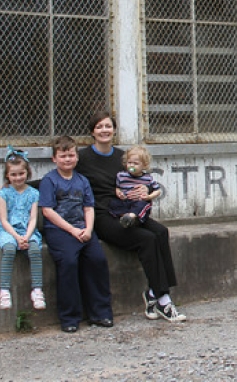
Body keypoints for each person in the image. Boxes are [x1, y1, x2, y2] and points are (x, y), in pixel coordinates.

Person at [76, 111, 186, 323]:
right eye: (99, 127)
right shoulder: (83, 159)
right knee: (146, 239)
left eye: (108, 126)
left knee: (161, 232)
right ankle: (163, 299)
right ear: (92, 132)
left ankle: (154, 293)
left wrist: (145, 191)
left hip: (126, 209)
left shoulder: (122, 158)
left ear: (114, 130)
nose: (104, 130)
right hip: (102, 214)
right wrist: (23, 185)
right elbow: (59, 176)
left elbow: (140, 178)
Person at [39, 135, 114, 333]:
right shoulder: (49, 181)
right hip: (59, 231)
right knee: (69, 262)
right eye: (63, 156)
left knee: (97, 260)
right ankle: (70, 317)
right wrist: (72, 230)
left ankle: (100, 313)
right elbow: (47, 211)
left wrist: (88, 230)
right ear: (54, 158)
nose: (67, 159)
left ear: (77, 157)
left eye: (71, 155)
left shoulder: (82, 181)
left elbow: (89, 208)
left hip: (83, 229)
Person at [0, 146, 46, 311]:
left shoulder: (33, 193)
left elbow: (33, 218)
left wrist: (27, 236)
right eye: (13, 174)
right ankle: (4, 290)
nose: (18, 178)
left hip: (28, 231)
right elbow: (4, 220)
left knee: (34, 250)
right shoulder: (3, 194)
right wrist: (17, 238)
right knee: (9, 249)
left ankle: (37, 290)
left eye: (21, 173)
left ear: (27, 173)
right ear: (7, 175)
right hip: (8, 231)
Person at [111, 145, 160, 229]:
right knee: (113, 203)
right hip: (125, 201)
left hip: (138, 202)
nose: (132, 165)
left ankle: (131, 216)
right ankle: (124, 216)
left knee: (143, 205)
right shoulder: (121, 175)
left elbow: (157, 190)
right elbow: (118, 187)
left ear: (144, 165)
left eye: (136, 163)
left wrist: (149, 197)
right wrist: (119, 193)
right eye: (129, 163)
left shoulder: (147, 178)